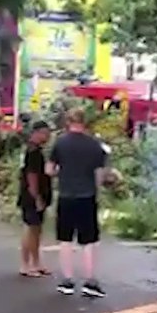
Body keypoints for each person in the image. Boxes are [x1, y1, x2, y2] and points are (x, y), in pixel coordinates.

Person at [46, 107, 111, 298]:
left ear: (68, 122)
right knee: (89, 241)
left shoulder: (60, 143)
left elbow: (49, 169)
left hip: (66, 196)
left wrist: (63, 174)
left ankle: (67, 281)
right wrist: (96, 189)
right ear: (85, 122)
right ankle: (90, 281)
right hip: (87, 196)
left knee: (65, 240)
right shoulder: (94, 145)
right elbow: (99, 174)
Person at [18, 120, 53, 278]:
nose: (47, 137)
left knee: (37, 230)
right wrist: (36, 197)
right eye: (44, 133)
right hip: (32, 196)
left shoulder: (38, 150)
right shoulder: (32, 151)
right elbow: (31, 176)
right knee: (30, 229)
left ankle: (36, 262)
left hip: (40, 195)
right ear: (36, 132)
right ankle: (25, 264)